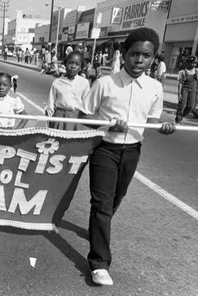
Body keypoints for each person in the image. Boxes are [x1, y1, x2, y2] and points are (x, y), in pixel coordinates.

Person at [79, 27, 175, 286]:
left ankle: (98, 228)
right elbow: (83, 117)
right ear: (124, 54)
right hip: (105, 149)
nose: (139, 61)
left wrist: (165, 125)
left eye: (146, 56)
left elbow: (154, 119)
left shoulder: (154, 87)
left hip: (132, 151)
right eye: (134, 54)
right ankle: (99, 262)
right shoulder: (104, 83)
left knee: (114, 200)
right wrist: (107, 123)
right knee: (101, 203)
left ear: (154, 58)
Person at [45, 51, 90, 130]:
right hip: (58, 118)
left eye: (77, 64)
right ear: (65, 64)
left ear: (81, 67)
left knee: (72, 141)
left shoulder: (84, 83)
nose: (73, 66)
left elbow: (87, 104)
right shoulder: (57, 82)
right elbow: (50, 104)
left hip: (75, 118)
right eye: (70, 63)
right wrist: (49, 120)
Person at [175, 55, 197, 123]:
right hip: (185, 89)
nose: (194, 64)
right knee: (182, 105)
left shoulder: (196, 71)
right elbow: (180, 83)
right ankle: (178, 120)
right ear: (188, 63)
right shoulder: (183, 72)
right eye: (192, 63)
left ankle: (182, 115)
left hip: (193, 90)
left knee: (191, 106)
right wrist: (179, 94)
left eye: (195, 63)